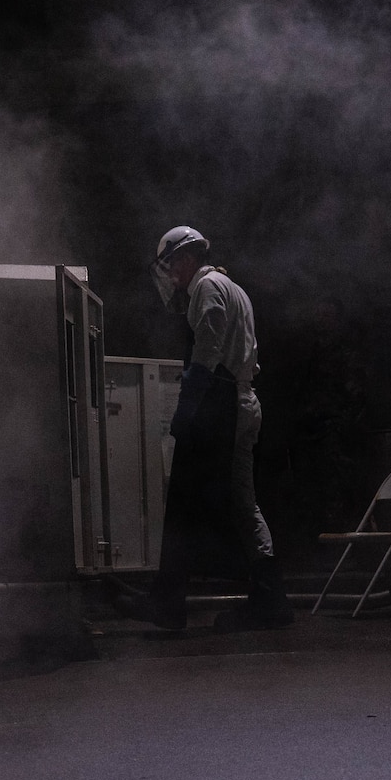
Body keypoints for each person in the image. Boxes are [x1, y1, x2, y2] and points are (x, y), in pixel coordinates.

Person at [123, 226, 293, 632]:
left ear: (184, 259)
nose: (171, 277)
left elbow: (207, 351)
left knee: (184, 499)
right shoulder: (233, 287)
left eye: (171, 266)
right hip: (241, 400)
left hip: (221, 403)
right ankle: (271, 601)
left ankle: (168, 602)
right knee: (242, 503)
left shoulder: (207, 287)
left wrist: (187, 410)